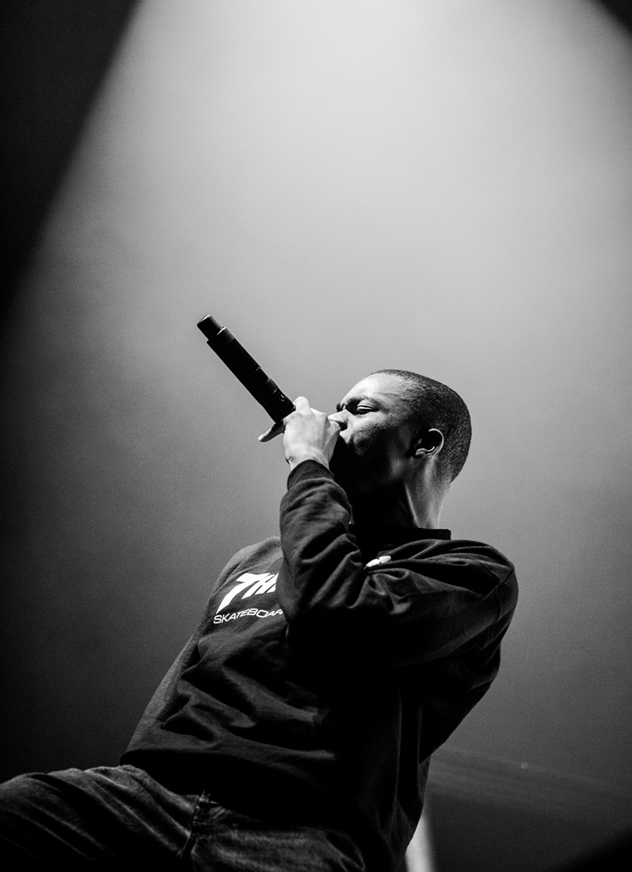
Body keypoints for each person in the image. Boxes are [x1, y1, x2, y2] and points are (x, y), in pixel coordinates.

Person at [0, 369, 518, 870]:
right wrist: (136, 771)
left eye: (358, 410)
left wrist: (310, 466)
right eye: (335, 409)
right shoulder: (261, 557)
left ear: (425, 443)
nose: (333, 422)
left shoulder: (470, 575)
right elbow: (184, 680)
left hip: (300, 829)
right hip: (151, 801)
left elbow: (331, 612)